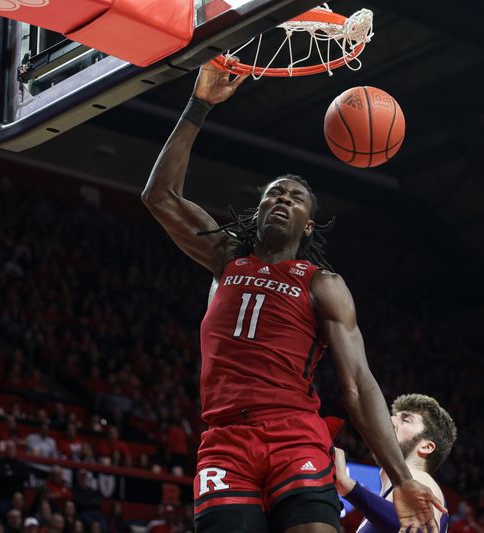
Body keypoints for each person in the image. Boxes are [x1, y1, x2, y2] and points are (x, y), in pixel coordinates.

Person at [142, 61, 445, 533]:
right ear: (258, 210)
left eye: (295, 198)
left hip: (294, 436)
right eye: (273, 194)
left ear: (307, 225)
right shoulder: (225, 257)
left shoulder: (322, 283)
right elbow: (159, 195)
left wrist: (403, 478)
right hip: (225, 438)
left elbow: (359, 385)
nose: (282, 199)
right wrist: (198, 105)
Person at [334, 394, 457, 533]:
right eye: (393, 416)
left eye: (406, 420)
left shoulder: (421, 479)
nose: (390, 420)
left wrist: (348, 486)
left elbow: (419, 530)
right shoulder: (382, 502)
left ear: (426, 447)